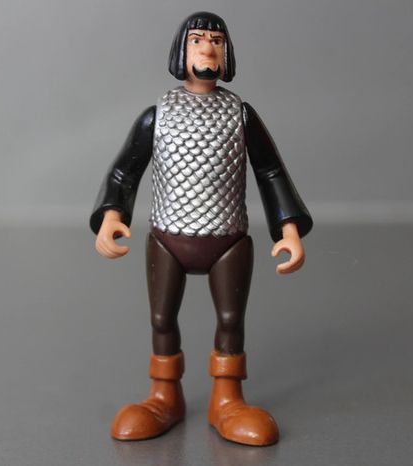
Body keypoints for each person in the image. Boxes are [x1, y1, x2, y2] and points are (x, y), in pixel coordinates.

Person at [90, 11, 312, 446]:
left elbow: (270, 171)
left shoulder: (240, 115)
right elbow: (124, 172)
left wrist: (287, 228)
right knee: (161, 318)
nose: (208, 48)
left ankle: (227, 399)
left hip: (228, 239)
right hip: (167, 239)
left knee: (230, 319)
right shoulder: (158, 116)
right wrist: (112, 215)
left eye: (216, 40)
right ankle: (163, 395)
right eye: (197, 40)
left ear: (227, 53)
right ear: (182, 49)